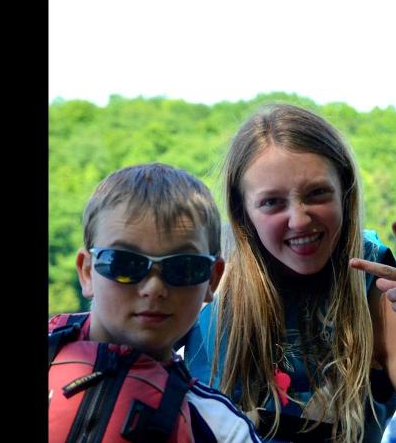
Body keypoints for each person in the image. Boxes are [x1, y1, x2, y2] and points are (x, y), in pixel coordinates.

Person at [183, 105, 396, 442]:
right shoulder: (204, 286)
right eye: (272, 202)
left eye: (317, 193)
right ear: (242, 212)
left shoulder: (377, 290)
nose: (300, 219)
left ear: (345, 192)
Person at [49, 163, 262, 443]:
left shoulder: (220, 429)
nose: (154, 288)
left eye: (184, 267)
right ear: (87, 272)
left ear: (212, 279)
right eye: (124, 263)